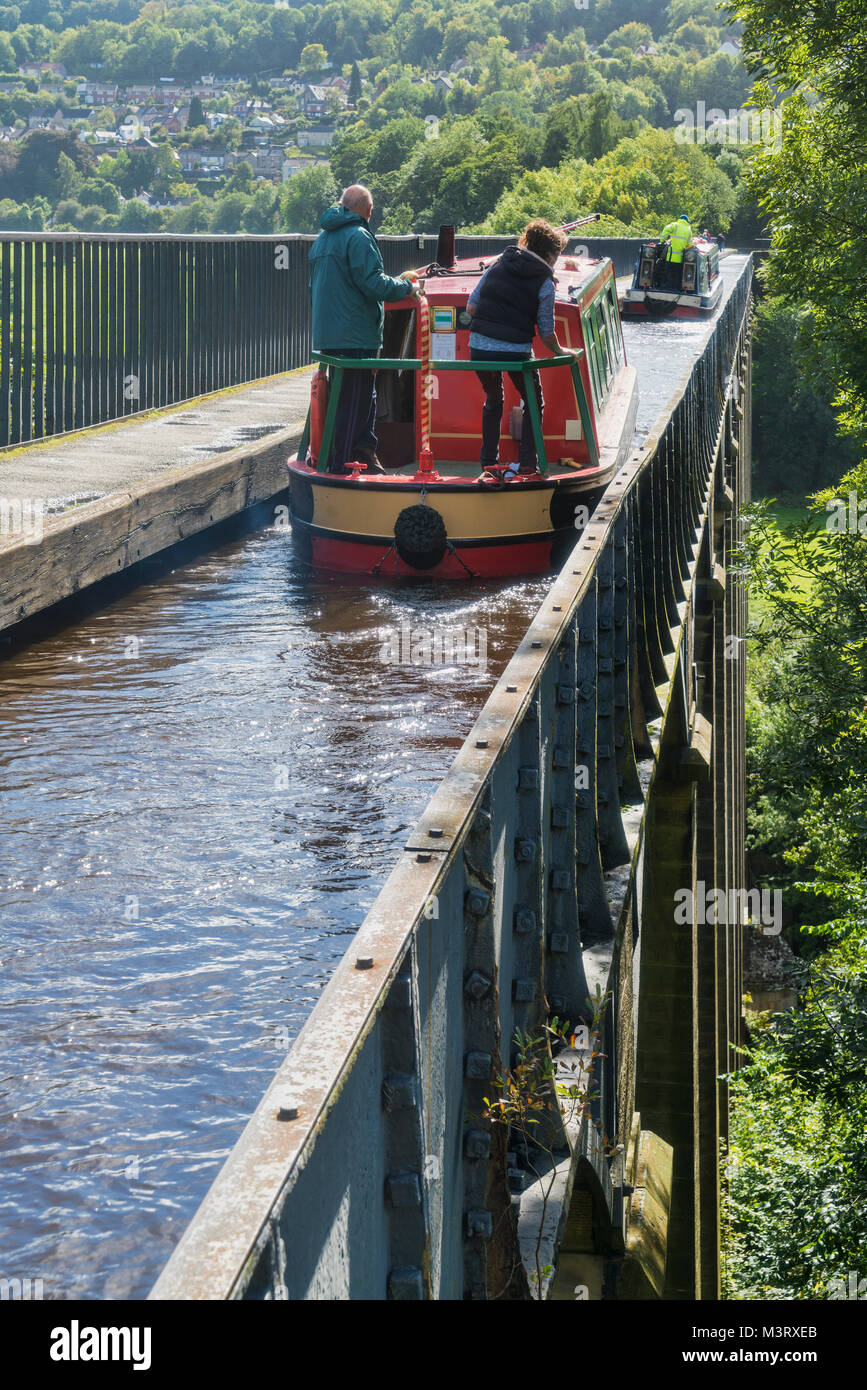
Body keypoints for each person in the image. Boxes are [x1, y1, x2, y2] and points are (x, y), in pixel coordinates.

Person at [309, 184, 420, 474]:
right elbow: (371, 284)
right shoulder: (359, 237)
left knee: (349, 397)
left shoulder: (323, 238)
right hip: (355, 333)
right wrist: (407, 287)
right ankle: (346, 463)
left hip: (330, 333)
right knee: (357, 401)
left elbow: (344, 283)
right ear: (368, 211)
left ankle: (359, 455)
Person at [465, 219, 573, 480]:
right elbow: (546, 333)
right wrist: (561, 351)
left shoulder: (498, 265)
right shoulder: (545, 282)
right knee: (534, 402)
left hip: (479, 348)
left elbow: (471, 307)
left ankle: (489, 463)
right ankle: (527, 464)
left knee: (493, 400)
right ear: (549, 255)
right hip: (515, 352)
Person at [659, 211, 693, 290]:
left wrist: (663, 240)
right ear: (687, 221)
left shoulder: (675, 225)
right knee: (677, 275)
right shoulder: (688, 230)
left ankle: (667, 288)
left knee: (668, 274)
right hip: (680, 259)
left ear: (680, 219)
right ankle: (676, 289)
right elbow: (690, 245)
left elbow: (666, 228)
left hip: (670, 257)